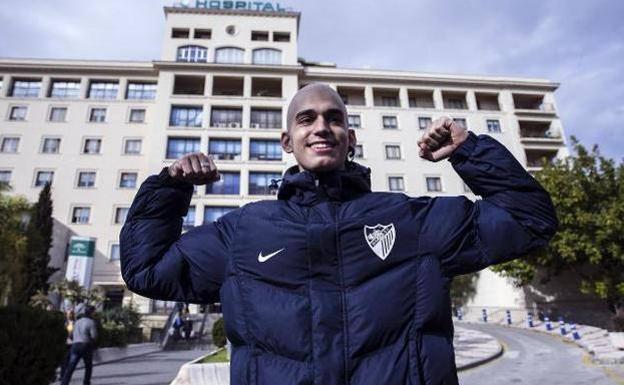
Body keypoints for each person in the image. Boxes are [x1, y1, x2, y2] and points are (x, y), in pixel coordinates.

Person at [120, 83, 558, 384]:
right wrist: (170, 189)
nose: (320, 127)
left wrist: (467, 151)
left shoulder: (409, 221)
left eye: (333, 119)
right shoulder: (244, 232)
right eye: (306, 119)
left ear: (350, 138)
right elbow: (147, 270)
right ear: (287, 141)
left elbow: (528, 219)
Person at [60, 305, 98, 385]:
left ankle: (64, 383)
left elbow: (71, 335)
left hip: (75, 345)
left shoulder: (77, 322)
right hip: (85, 345)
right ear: (91, 313)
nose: (95, 314)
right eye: (94, 312)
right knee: (88, 366)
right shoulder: (91, 322)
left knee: (71, 366)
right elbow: (94, 336)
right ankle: (86, 382)